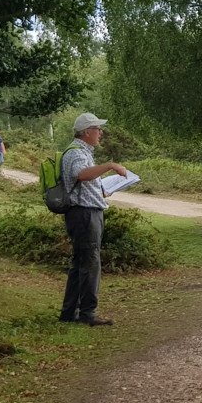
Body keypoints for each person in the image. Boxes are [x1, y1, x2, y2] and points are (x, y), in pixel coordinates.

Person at [58, 112, 128, 327]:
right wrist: (110, 165)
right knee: (90, 263)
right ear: (87, 132)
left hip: (86, 212)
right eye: (98, 129)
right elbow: (82, 174)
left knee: (81, 263)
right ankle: (87, 314)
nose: (101, 133)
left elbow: (86, 179)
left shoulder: (82, 152)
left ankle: (70, 313)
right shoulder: (77, 152)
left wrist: (103, 189)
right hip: (85, 214)